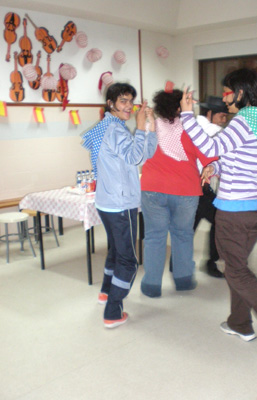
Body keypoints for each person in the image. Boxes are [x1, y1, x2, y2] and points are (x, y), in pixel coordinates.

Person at [180, 68, 257, 358]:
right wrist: (216, 167)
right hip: (254, 209)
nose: (224, 98)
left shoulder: (243, 121)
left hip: (235, 213)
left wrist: (186, 115)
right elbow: (243, 159)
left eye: (228, 92)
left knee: (235, 270)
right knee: (238, 268)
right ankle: (240, 323)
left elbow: (209, 145)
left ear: (242, 93)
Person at [82, 83, 157, 328]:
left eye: (131, 101)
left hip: (107, 202)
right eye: (123, 101)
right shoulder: (116, 131)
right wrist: (140, 126)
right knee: (128, 262)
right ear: (111, 103)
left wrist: (150, 129)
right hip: (120, 204)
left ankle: (105, 293)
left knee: (116, 251)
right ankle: (113, 311)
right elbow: (136, 157)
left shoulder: (109, 127)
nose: (129, 106)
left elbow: (143, 155)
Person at [140, 87, 217, 298]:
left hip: (152, 188)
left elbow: (139, 153)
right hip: (185, 190)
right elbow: (208, 154)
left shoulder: (150, 126)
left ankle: (151, 286)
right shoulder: (191, 128)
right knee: (183, 235)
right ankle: (183, 281)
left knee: (154, 237)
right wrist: (210, 167)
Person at [194, 96, 228, 278]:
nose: (223, 121)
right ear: (209, 114)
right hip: (198, 187)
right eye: (221, 116)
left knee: (187, 228)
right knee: (219, 220)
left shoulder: (192, 126)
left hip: (195, 187)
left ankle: (177, 266)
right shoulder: (213, 130)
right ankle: (211, 262)